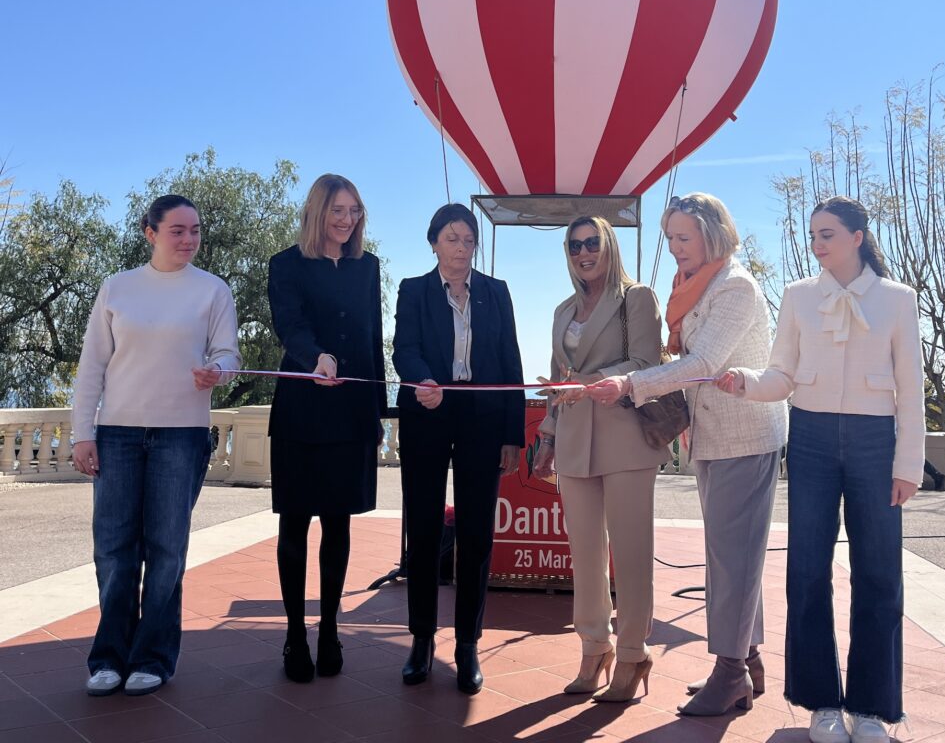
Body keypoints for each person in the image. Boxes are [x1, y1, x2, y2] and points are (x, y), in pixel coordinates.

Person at [715, 196, 924, 743]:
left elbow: (911, 390)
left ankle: (873, 708)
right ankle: (821, 703)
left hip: (876, 443)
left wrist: (907, 463)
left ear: (857, 237)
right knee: (807, 570)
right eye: (813, 235)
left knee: (879, 574)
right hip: (809, 439)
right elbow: (781, 374)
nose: (817, 244)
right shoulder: (798, 296)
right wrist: (745, 381)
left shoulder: (898, 299)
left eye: (827, 234)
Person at [589, 193, 787, 716]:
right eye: (670, 237)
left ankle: (731, 672)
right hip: (713, 437)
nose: (675, 247)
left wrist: (630, 383)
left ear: (712, 234)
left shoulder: (735, 286)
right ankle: (747, 663)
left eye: (684, 237)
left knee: (733, 558)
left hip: (745, 437)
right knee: (730, 555)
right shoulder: (695, 286)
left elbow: (703, 363)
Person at [71, 194, 240, 697]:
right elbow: (92, 366)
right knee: (114, 549)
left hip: (182, 435)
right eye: (177, 230)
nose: (189, 239)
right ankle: (108, 658)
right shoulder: (117, 287)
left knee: (167, 550)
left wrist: (218, 372)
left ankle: (153, 658)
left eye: (196, 230)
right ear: (150, 233)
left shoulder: (213, 290)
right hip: (117, 434)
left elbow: (228, 354)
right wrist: (84, 433)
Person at [392, 203, 525, 694]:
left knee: (476, 533)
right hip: (427, 413)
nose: (462, 248)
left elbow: (510, 360)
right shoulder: (413, 290)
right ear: (434, 243)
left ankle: (468, 643)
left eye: (469, 239)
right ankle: (421, 640)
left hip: (482, 420)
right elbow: (403, 348)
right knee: (425, 530)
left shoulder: (496, 291)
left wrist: (513, 433)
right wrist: (421, 379)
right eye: (452, 238)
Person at [532, 216, 664, 703]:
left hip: (624, 437)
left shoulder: (637, 298)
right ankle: (593, 648)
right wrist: (548, 435)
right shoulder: (562, 310)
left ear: (609, 246)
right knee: (584, 555)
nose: (584, 252)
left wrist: (589, 383)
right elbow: (557, 378)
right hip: (572, 440)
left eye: (593, 243)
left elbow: (647, 365)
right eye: (574, 246)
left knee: (630, 554)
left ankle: (632, 653)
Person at [267, 174, 387, 683]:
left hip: (352, 413)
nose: (347, 220)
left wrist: (377, 412)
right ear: (317, 212)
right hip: (300, 411)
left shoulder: (367, 267)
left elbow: (373, 338)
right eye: (338, 210)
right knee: (294, 525)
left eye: (354, 211)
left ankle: (331, 629)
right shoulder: (285, 264)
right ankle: (295, 634)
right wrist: (314, 357)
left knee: (339, 525)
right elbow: (289, 325)